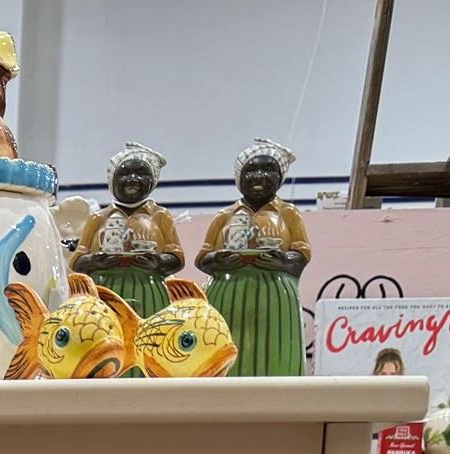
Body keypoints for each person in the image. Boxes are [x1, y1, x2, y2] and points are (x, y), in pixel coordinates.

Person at [197, 139, 311, 377]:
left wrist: (282, 260)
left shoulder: (288, 213)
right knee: (228, 347)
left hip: (275, 295)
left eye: (268, 170)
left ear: (280, 178)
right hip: (228, 294)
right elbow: (203, 258)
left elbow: (301, 254)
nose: (259, 176)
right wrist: (220, 260)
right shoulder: (224, 216)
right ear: (239, 178)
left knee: (276, 348)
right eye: (251, 171)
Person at [74, 142, 183, 320]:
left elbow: (177, 258)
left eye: (141, 174)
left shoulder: (161, 216)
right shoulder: (98, 218)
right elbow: (77, 260)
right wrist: (95, 260)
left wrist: (157, 261)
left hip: (149, 291)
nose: (133, 179)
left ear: (152, 182)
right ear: (112, 180)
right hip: (105, 291)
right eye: (124, 174)